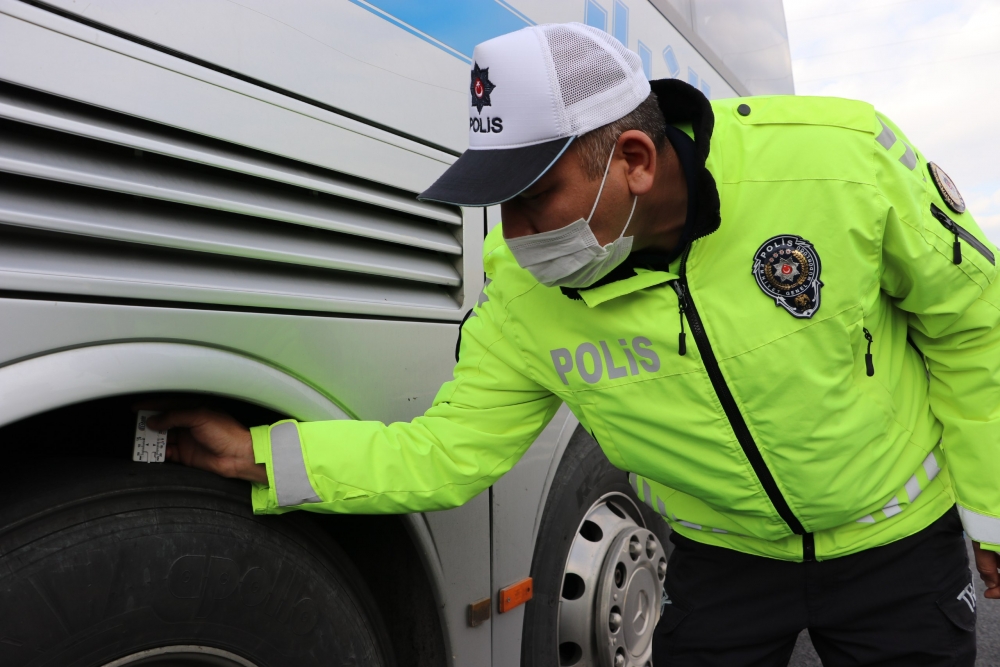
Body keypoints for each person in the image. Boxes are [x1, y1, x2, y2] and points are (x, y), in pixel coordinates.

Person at [148, 23, 1000, 665]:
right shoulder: (523, 298)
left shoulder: (836, 166)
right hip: (723, 562)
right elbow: (446, 453)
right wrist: (264, 457)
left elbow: (974, 333)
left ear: (632, 157)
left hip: (898, 551)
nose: (512, 236)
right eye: (496, 203)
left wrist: (994, 516)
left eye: (532, 197)